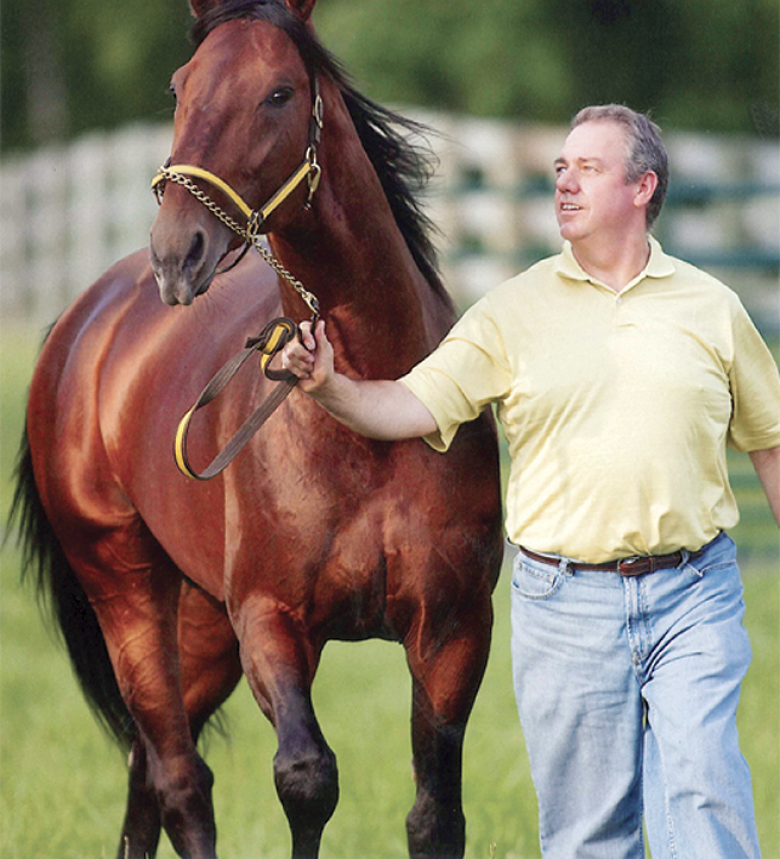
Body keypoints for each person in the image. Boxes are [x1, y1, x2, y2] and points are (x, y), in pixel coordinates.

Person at [281, 104, 780, 859]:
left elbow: (770, 443)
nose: (565, 183)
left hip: (692, 593)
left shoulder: (712, 309)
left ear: (643, 186)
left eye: (588, 167)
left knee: (707, 798)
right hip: (566, 605)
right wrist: (328, 385)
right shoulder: (513, 312)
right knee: (589, 838)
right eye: (559, 169)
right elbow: (408, 403)